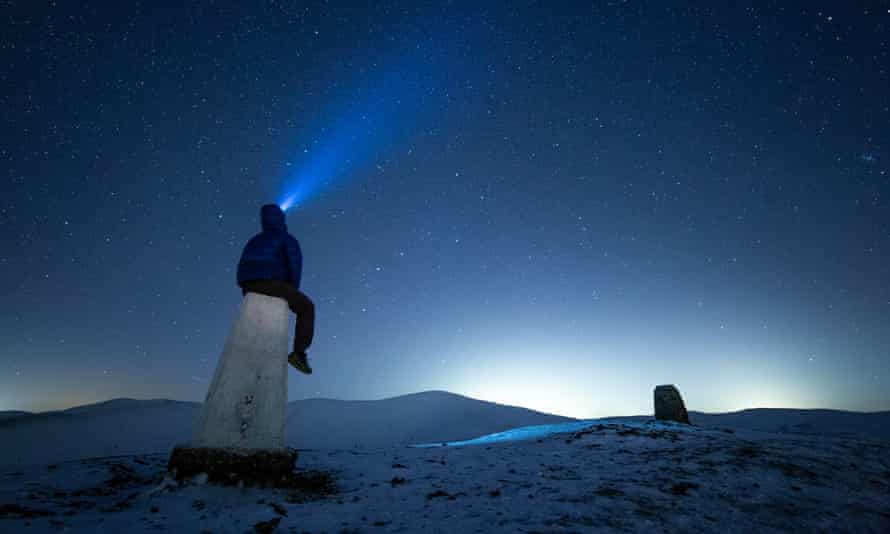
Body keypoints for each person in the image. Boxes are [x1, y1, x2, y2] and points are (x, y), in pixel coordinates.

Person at [236, 204, 315, 374]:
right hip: (272, 284)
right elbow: (295, 264)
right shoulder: (285, 238)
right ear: (281, 219)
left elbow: (241, 267)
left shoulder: (254, 239)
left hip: (249, 285)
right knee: (307, 307)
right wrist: (292, 290)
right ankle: (299, 354)